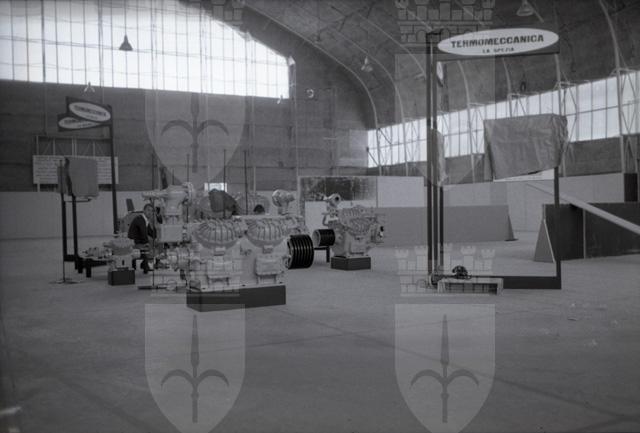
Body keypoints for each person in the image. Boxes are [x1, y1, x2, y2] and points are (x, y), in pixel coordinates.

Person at [127, 203, 157, 272]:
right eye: (148, 210)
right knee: (148, 247)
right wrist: (147, 243)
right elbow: (143, 233)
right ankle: (145, 266)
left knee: (150, 245)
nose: (150, 212)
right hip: (134, 243)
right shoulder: (140, 219)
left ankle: (143, 264)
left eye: (152, 211)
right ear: (144, 211)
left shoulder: (145, 220)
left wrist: (153, 223)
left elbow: (152, 234)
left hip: (137, 242)